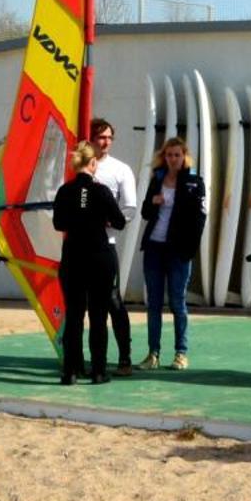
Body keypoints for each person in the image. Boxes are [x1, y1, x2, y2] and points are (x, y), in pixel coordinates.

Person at [52, 141, 125, 384]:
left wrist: (78, 218)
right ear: (93, 163)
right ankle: (98, 371)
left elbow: (59, 224)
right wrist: (99, 218)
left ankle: (70, 371)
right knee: (98, 315)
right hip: (99, 257)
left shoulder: (64, 190)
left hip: (73, 256)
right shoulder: (102, 191)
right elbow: (120, 221)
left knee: (74, 315)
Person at [138, 137, 207, 369]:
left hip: (179, 250)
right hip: (154, 247)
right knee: (154, 304)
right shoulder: (157, 179)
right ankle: (153, 354)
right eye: (169, 155)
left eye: (177, 155)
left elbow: (200, 218)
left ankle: (181, 353)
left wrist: (190, 249)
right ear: (164, 156)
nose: (173, 159)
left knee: (178, 302)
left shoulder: (194, 182)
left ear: (184, 156)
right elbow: (145, 213)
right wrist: (154, 202)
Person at [87, 118, 139, 374]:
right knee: (80, 305)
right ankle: (80, 359)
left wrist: (106, 220)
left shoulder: (120, 170)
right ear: (91, 138)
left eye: (109, 137)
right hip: (78, 247)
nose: (105, 142)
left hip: (105, 244)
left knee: (112, 301)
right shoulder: (75, 166)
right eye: (100, 137)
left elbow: (129, 209)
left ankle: (124, 357)